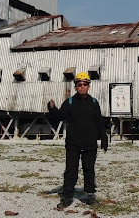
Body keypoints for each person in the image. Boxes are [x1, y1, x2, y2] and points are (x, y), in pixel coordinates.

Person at [47, 72, 108, 208]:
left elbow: (99, 121)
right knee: (71, 170)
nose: (82, 87)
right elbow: (59, 116)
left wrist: (104, 137)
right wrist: (52, 109)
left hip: (90, 144)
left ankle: (90, 195)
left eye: (85, 84)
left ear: (88, 86)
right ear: (75, 87)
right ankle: (67, 196)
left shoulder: (94, 102)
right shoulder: (69, 102)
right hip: (73, 143)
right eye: (79, 85)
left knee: (89, 169)